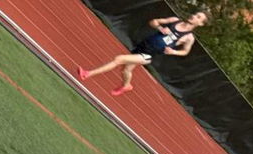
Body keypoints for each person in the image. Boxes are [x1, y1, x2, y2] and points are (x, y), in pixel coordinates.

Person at [75, 12, 208, 96]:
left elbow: (185, 51)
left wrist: (173, 51)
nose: (194, 16)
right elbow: (153, 21)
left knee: (119, 59)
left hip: (149, 55)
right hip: (142, 46)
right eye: (195, 14)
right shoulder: (175, 20)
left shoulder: (189, 37)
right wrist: (160, 28)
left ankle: (87, 74)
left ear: (200, 24)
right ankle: (126, 86)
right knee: (126, 70)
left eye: (198, 17)